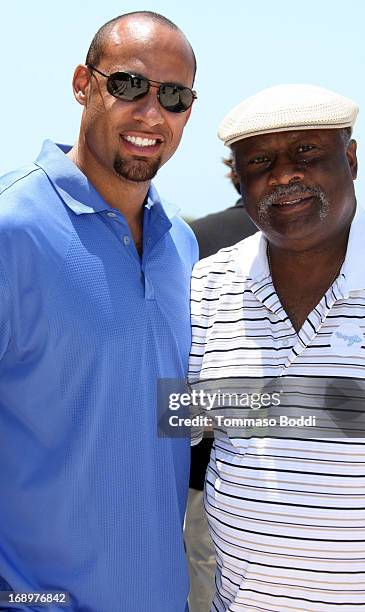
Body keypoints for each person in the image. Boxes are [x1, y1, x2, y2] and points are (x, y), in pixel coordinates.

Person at [0, 11, 197, 612]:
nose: (151, 113)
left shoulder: (181, 246)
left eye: (174, 96)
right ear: (84, 84)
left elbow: (166, 409)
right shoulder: (11, 229)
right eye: (130, 85)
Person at [189, 84, 365, 610]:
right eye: (261, 161)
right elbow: (178, 417)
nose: (284, 174)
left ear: (350, 159)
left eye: (307, 152)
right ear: (239, 180)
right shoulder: (207, 285)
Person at [185, 160, 256, 611]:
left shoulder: (190, 240)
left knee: (206, 581)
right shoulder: (342, 244)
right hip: (329, 480)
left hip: (201, 473)